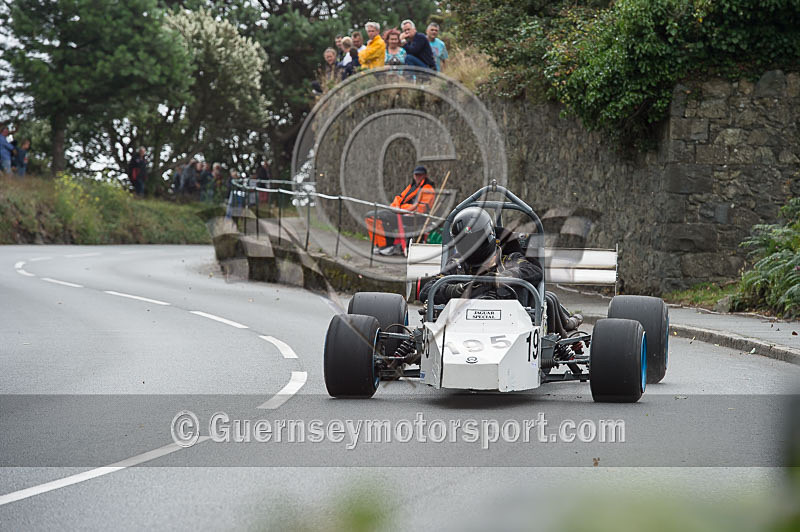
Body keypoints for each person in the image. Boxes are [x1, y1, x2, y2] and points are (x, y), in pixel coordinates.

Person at [419, 206, 543, 304]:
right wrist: (454, 290)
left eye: (474, 241)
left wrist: (503, 277)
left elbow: (534, 270)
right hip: (463, 323)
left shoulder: (509, 260)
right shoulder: (457, 264)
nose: (470, 246)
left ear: (489, 237)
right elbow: (427, 290)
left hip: (510, 322)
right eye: (464, 242)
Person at [365, 165, 435, 256]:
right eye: (416, 175)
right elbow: (399, 198)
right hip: (400, 213)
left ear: (425, 175)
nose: (418, 177)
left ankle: (388, 246)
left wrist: (401, 209)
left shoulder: (428, 189)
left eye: (420, 175)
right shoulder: (412, 186)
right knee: (370, 216)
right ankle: (381, 245)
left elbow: (421, 208)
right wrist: (396, 206)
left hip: (414, 217)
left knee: (375, 216)